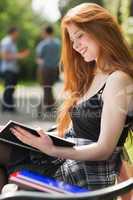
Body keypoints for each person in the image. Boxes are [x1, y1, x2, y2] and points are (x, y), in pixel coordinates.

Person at [0, 3, 133, 195]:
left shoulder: (118, 79)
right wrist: (23, 137)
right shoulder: (92, 74)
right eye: (72, 39)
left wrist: (52, 150)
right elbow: (79, 133)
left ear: (102, 31)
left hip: (83, 175)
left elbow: (105, 149)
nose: (76, 45)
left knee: (11, 186)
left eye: (80, 36)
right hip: (65, 161)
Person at [0, 26, 29, 112]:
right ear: (12, 32)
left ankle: (10, 107)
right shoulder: (7, 42)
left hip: (13, 69)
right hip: (8, 69)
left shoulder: (12, 42)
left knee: (11, 88)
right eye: (17, 33)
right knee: (8, 88)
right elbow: (4, 56)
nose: (18, 35)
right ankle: (6, 108)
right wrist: (20, 56)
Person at [35, 25, 60, 115]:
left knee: (45, 88)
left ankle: (41, 108)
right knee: (49, 88)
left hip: (44, 69)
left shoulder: (43, 44)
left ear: (45, 32)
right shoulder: (58, 43)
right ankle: (50, 107)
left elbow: (39, 59)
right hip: (54, 69)